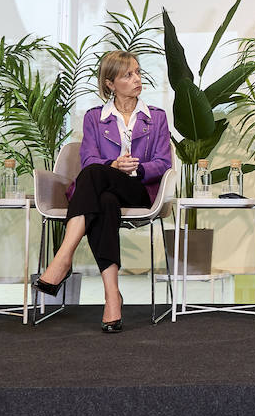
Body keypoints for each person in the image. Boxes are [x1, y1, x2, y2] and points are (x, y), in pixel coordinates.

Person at [36, 51, 172, 333]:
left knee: (95, 175)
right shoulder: (95, 118)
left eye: (137, 72)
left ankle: (63, 257)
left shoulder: (156, 117)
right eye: (128, 75)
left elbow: (163, 162)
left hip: (139, 189)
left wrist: (133, 168)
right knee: (105, 200)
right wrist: (113, 164)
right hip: (103, 190)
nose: (137, 79)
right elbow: (87, 159)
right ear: (110, 83)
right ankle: (113, 296)